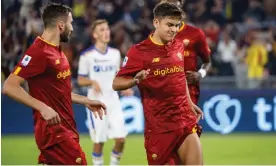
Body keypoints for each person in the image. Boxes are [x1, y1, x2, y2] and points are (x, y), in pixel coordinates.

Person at [2, 3, 106, 165]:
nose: (72, 28)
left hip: (66, 128)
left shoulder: (58, 51)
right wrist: (42, 107)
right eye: (70, 23)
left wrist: (85, 100)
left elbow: (58, 92)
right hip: (54, 134)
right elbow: (9, 86)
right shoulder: (39, 52)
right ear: (61, 25)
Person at [112, 2, 203, 165]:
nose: (174, 30)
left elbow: (180, 76)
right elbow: (116, 83)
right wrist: (135, 80)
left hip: (184, 120)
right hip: (159, 129)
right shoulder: (138, 52)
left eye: (177, 25)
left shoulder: (178, 45)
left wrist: (189, 103)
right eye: (169, 25)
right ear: (156, 22)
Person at [77, 19, 132, 165]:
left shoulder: (115, 54)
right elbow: (80, 80)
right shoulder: (87, 56)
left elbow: (118, 76)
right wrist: (92, 82)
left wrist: (125, 87)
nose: (106, 32)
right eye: (102, 30)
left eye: (107, 29)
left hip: (113, 101)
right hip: (96, 102)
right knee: (99, 141)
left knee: (121, 139)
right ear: (95, 34)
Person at [161, 0, 212, 137]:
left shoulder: (195, 34)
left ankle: (191, 157)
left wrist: (200, 74)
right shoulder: (157, 35)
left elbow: (208, 62)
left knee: (189, 133)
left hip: (189, 91)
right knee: (169, 137)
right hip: (165, 92)